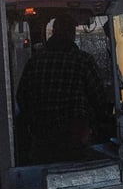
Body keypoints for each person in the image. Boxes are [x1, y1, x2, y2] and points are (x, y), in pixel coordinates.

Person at [16, 13, 111, 164]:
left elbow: (22, 96)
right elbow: (99, 99)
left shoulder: (35, 61)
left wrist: (33, 121)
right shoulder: (83, 60)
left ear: (53, 32)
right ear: (71, 34)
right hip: (74, 140)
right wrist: (99, 122)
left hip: (42, 138)